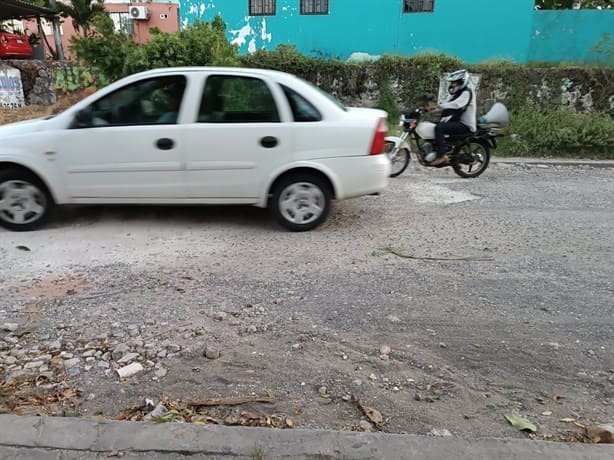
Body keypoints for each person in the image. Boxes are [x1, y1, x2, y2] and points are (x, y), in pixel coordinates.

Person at [425, 69, 476, 165]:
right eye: (451, 83)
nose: (452, 85)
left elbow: (456, 105)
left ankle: (442, 155)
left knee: (439, 127)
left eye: (454, 82)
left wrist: (438, 106)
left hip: (465, 125)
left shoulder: (467, 92)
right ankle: (436, 151)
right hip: (456, 122)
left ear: (461, 82)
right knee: (433, 126)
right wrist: (429, 110)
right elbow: (446, 105)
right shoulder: (456, 94)